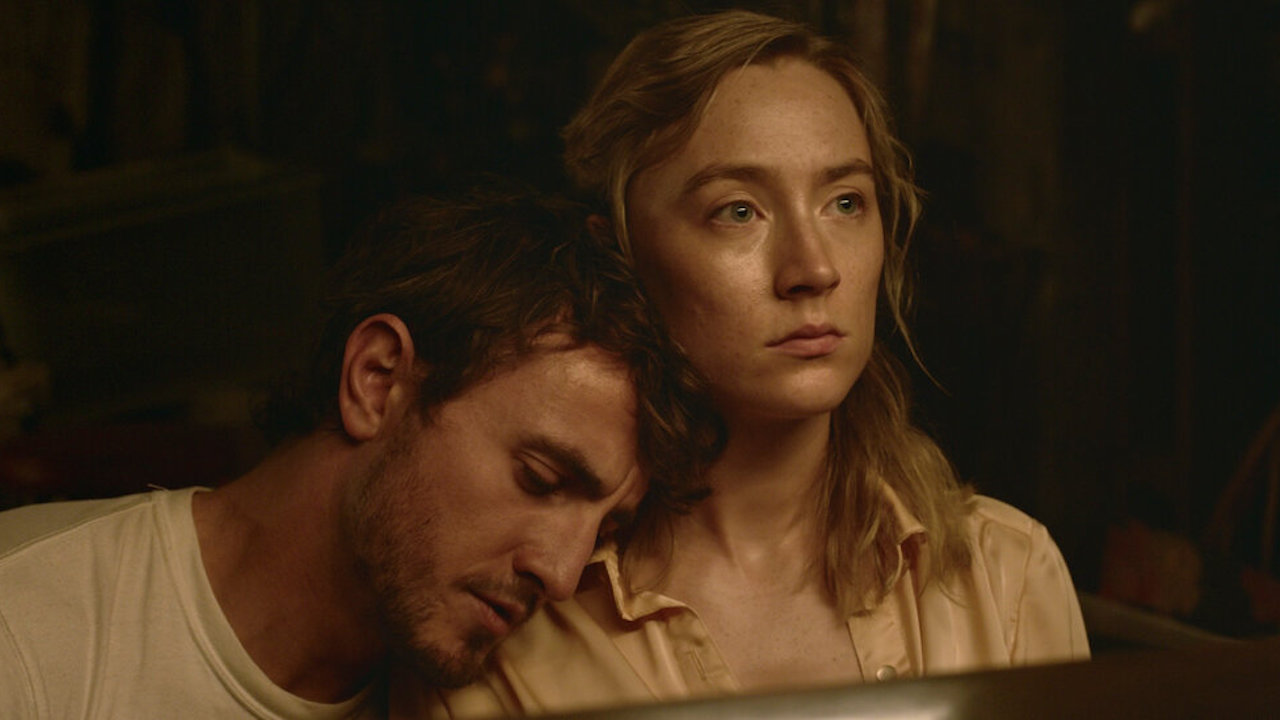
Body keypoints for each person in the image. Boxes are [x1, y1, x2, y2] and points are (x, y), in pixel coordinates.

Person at [422, 10, 1089, 718]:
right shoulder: (508, 614)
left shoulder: (1005, 577)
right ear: (618, 251)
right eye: (738, 211)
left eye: (845, 202)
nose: (814, 269)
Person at [0, 189, 722, 719]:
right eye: (540, 479)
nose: (561, 574)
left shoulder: (491, 695)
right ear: (376, 381)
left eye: (605, 528)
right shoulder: (29, 626)